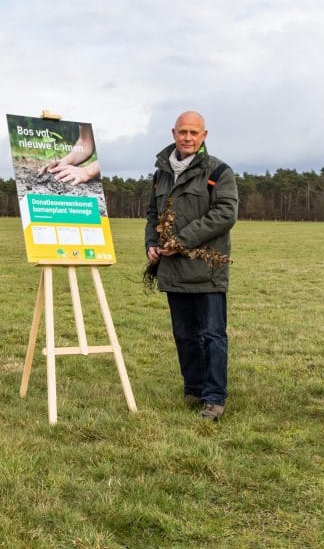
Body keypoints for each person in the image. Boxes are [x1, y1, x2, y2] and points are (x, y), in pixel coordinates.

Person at [145, 111, 238, 421]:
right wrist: (151, 243)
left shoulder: (219, 172)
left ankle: (214, 397)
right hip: (172, 270)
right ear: (173, 133)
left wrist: (181, 241)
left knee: (212, 335)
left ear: (204, 136)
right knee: (184, 334)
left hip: (206, 270)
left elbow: (225, 214)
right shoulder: (160, 174)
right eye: (182, 131)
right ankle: (194, 388)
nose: (188, 137)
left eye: (194, 132)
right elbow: (152, 214)